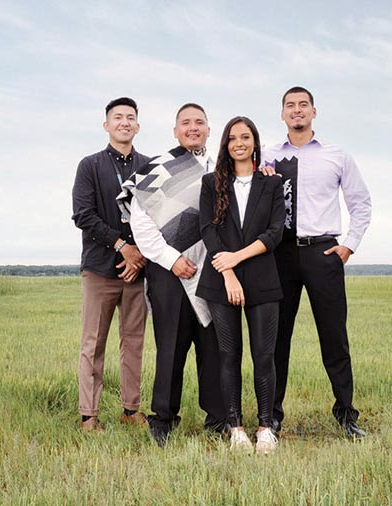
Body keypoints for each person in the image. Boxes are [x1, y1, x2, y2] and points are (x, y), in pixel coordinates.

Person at [261, 86, 372, 438]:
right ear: (282, 114)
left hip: (323, 253)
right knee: (276, 339)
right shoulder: (265, 156)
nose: (297, 111)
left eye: (303, 105)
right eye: (290, 106)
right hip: (279, 255)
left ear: (313, 112)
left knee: (334, 337)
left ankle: (346, 416)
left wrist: (348, 246)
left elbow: (361, 204)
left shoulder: (336, 156)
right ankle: (271, 418)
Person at [119, 103, 226, 446]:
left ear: (209, 129)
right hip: (170, 271)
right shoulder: (157, 170)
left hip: (213, 269)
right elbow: (142, 223)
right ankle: (163, 418)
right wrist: (171, 258)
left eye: (199, 123)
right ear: (175, 130)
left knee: (213, 345)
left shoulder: (220, 169)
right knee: (171, 346)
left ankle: (219, 417)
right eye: (186, 123)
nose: (193, 128)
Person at [197, 116, 285, 454]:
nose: (239, 143)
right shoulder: (211, 183)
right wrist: (229, 271)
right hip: (221, 280)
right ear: (225, 144)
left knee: (264, 356)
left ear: (254, 142)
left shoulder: (272, 183)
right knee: (228, 355)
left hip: (263, 277)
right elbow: (208, 230)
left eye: (245, 137)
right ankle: (235, 427)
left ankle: (265, 426)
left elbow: (275, 232)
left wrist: (238, 258)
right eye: (232, 138)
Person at [70, 97, 149, 432]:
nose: (124, 122)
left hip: (139, 271)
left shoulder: (149, 166)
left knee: (134, 342)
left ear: (138, 125)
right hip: (100, 269)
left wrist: (139, 255)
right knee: (94, 342)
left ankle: (131, 410)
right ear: (107, 125)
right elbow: (83, 215)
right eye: (118, 117)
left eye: (130, 117)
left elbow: (158, 218)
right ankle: (89, 415)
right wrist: (122, 247)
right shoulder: (90, 165)